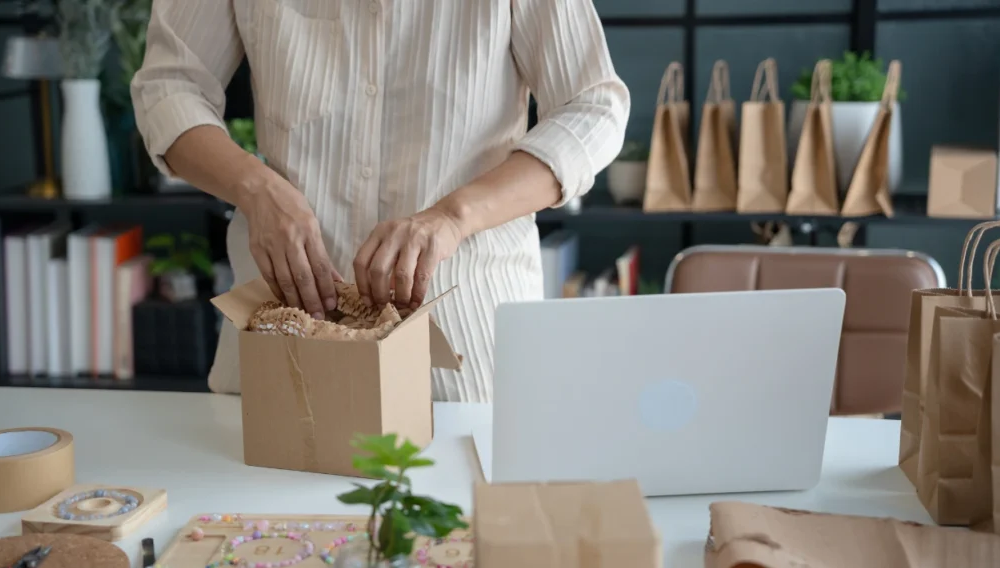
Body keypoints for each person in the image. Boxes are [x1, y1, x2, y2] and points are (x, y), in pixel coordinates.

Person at [132, 0, 630, 402]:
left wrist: (454, 217)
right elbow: (169, 86)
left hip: (468, 355)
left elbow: (594, 108)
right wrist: (254, 187)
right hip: (281, 342)